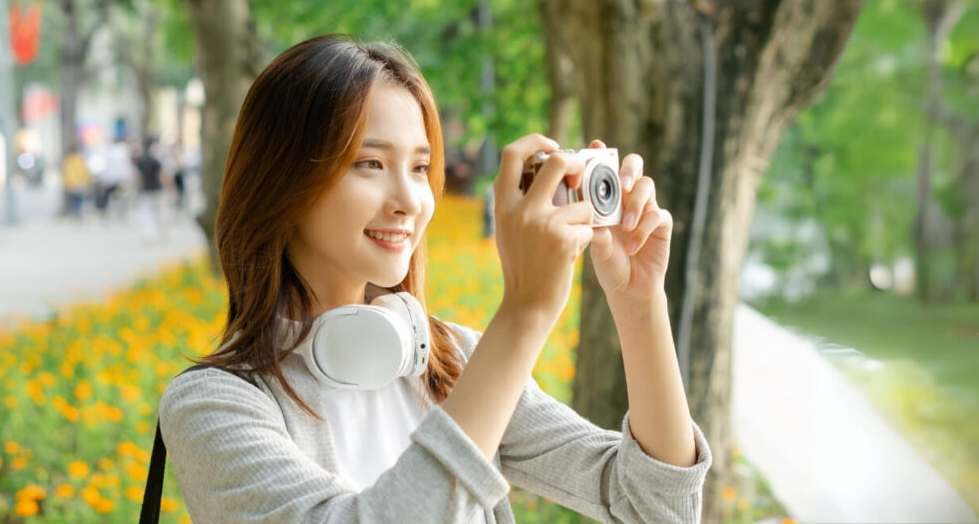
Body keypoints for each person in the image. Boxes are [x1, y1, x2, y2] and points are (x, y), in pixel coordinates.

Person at [158, 35, 712, 523]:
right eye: (369, 163)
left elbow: (655, 506)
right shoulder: (214, 408)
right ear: (281, 180)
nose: (408, 202)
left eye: (420, 168)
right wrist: (523, 315)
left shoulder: (452, 364)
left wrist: (640, 304)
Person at [133, 137, 164, 242]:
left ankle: (150, 234)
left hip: (146, 190)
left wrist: (138, 188)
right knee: (156, 212)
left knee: (146, 213)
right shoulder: (155, 161)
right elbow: (161, 176)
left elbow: (138, 177)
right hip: (156, 189)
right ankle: (157, 233)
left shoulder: (141, 161)